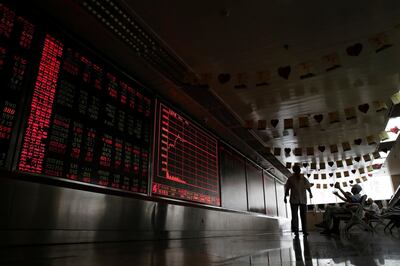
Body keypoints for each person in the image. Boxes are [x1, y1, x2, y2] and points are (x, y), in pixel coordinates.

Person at [284, 165, 313, 238]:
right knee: (294, 216)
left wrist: (310, 193)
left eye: (299, 169)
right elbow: (287, 188)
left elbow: (308, 187)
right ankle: (296, 231)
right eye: (297, 169)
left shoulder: (303, 178)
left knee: (303, 216)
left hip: (303, 199)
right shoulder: (290, 179)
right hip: (294, 199)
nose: (299, 170)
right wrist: (285, 197)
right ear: (294, 170)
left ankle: (305, 231)